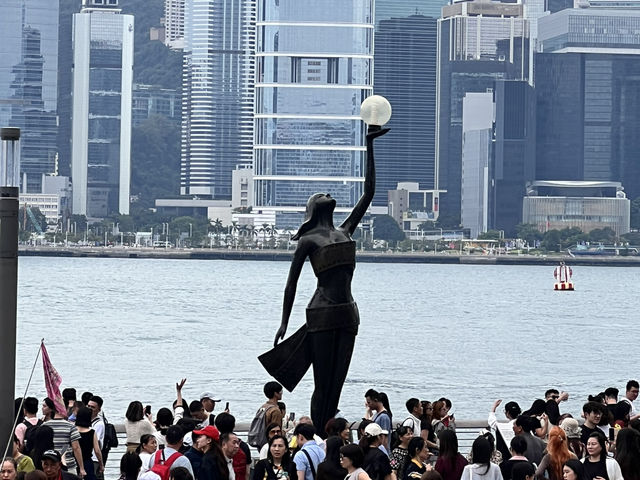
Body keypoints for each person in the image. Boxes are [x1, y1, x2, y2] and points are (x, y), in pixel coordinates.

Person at [260, 126, 389, 435]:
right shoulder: (309, 241)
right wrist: (283, 323)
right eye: (321, 195)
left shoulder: (345, 231)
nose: (327, 194)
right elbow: (290, 285)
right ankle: (320, 438)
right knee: (322, 383)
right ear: (313, 208)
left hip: (348, 313)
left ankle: (328, 435)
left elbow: (369, 192)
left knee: (337, 384)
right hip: (321, 313)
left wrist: (369, 145)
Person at [44, 404, 85, 476]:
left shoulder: (44, 425)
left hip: (48, 465)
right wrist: (81, 468)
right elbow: (76, 448)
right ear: (65, 409)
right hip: (69, 464)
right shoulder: (71, 426)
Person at [214, 413, 251, 480]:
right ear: (233, 426)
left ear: (217, 427)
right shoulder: (243, 446)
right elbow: (247, 471)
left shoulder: (214, 445)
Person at [74, 407, 104, 480]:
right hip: (87, 461)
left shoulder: (73, 430)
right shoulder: (92, 432)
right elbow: (97, 450)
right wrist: (101, 464)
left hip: (74, 461)